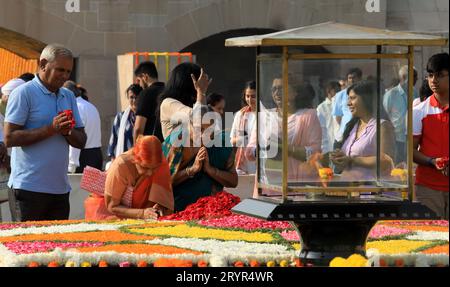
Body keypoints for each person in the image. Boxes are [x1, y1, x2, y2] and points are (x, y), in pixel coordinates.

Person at [4, 44, 87, 222]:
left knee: (58, 248)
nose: (65, 76)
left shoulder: (68, 96)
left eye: (68, 72)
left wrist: (67, 132)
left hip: (60, 190)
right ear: (43, 64)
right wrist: (51, 129)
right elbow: (10, 138)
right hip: (28, 189)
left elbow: (81, 141)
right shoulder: (23, 93)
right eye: (60, 70)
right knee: (27, 247)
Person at [162, 111, 238, 212]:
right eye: (199, 129)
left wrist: (211, 170)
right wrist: (191, 170)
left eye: (209, 131)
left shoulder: (221, 145)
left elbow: (233, 181)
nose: (203, 135)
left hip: (212, 210)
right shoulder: (177, 144)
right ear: (189, 127)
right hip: (179, 210)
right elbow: (162, 183)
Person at [331, 81, 395, 180]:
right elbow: (348, 161)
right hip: (349, 187)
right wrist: (340, 158)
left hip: (369, 190)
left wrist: (352, 160)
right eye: (348, 99)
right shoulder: (353, 126)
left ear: (366, 99)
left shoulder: (382, 127)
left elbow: (385, 161)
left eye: (352, 98)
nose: (348, 103)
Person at [413, 53, 449, 219]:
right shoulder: (419, 111)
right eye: (430, 75)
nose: (434, 80)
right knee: (432, 239)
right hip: (428, 187)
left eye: (440, 75)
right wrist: (431, 161)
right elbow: (411, 151)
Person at [159, 62, 211, 140]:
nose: (199, 85)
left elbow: (205, 123)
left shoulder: (194, 103)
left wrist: (202, 93)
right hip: (177, 152)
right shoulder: (168, 103)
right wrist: (200, 92)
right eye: (198, 81)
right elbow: (197, 118)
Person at [64, 81, 102, 173]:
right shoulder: (90, 106)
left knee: (79, 188)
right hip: (96, 155)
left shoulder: (76, 108)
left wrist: (71, 166)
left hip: (84, 158)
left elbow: (76, 138)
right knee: (92, 188)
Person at [383, 66, 418, 164]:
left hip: (411, 137)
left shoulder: (414, 92)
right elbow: (385, 116)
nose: (416, 79)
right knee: (397, 165)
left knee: (409, 165)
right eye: (414, 76)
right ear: (403, 76)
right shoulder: (391, 94)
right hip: (397, 138)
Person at [107, 84, 142, 167]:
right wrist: (113, 161)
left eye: (137, 97)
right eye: (131, 97)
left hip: (141, 163)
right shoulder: (121, 117)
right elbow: (113, 140)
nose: (134, 100)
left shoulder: (145, 117)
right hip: (124, 162)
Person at [133, 61, 165, 143]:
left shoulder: (146, 93)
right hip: (167, 147)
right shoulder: (168, 91)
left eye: (139, 80)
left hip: (150, 147)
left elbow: (138, 129)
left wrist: (136, 151)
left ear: (144, 76)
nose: (140, 85)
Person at [231, 81, 257, 175]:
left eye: (253, 96)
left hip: (259, 163)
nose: (250, 100)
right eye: (247, 96)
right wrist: (241, 139)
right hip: (242, 164)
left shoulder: (266, 115)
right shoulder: (240, 115)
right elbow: (231, 140)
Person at [332, 68, 363, 142]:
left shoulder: (364, 94)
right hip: (344, 134)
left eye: (354, 77)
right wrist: (347, 126)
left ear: (360, 78)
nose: (352, 80)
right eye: (350, 78)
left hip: (361, 133)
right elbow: (338, 117)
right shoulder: (340, 95)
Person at [317, 81, 340, 154]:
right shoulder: (321, 108)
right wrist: (325, 150)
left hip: (340, 146)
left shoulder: (342, 106)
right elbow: (321, 130)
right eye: (336, 91)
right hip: (327, 148)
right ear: (328, 91)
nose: (338, 94)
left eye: (339, 91)